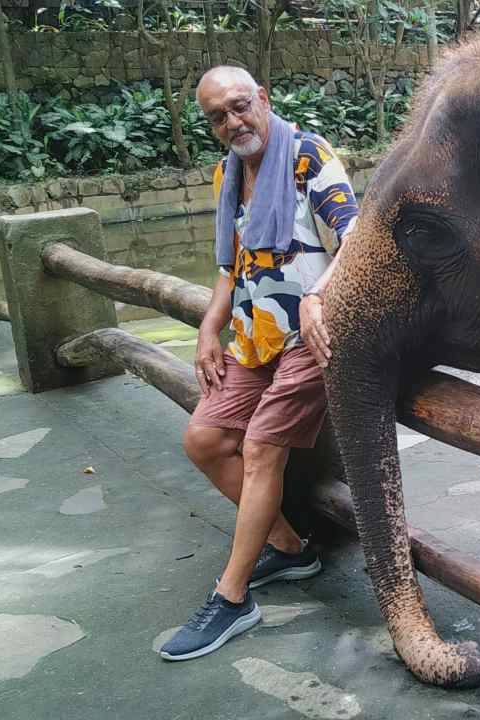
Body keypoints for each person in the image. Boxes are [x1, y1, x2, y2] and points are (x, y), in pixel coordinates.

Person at [159, 65, 360, 661]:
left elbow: (358, 241)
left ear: (263, 99)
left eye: (240, 106)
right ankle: (291, 547)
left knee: (262, 447)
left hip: (312, 337)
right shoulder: (227, 174)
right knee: (203, 439)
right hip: (252, 337)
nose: (232, 122)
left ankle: (232, 595)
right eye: (218, 116)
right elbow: (229, 269)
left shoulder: (309, 157)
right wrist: (208, 327)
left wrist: (319, 297)